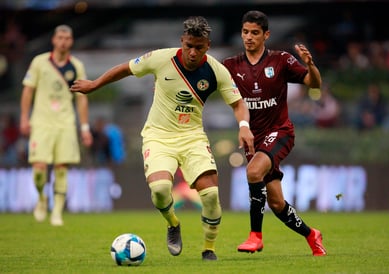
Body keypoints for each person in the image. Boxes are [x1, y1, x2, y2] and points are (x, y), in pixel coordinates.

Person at [70, 16, 254, 261]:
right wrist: (95, 84)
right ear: (182, 41)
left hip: (192, 138)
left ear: (207, 46)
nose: (192, 52)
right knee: (159, 190)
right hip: (158, 136)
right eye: (188, 45)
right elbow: (125, 68)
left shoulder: (216, 70)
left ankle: (208, 248)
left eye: (198, 47)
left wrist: (243, 126)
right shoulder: (161, 58)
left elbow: (238, 103)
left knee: (210, 196)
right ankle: (173, 223)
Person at [223, 10, 327, 256]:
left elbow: (315, 84)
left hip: (280, 132)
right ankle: (312, 235)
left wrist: (310, 65)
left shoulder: (281, 61)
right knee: (277, 203)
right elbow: (202, 80)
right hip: (253, 139)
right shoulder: (230, 66)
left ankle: (255, 237)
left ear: (266, 35)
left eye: (255, 33)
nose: (249, 37)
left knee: (252, 171)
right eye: (245, 32)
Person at [20, 25, 93, 226]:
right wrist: (24, 118)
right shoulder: (39, 62)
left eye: (67, 38)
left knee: (62, 168)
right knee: (39, 168)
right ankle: (42, 198)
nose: (63, 41)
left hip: (66, 123)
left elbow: (81, 99)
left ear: (71, 41)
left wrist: (84, 128)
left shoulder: (76, 66)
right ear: (53, 40)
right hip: (41, 122)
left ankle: (57, 212)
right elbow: (28, 91)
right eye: (60, 37)